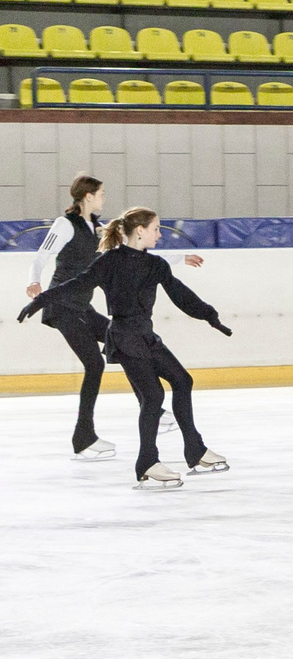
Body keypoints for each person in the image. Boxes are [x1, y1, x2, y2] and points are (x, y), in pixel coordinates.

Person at [17, 207, 232, 489]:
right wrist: (41, 300)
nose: (159, 234)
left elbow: (181, 295)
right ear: (140, 231)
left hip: (146, 336)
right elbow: (77, 283)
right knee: (153, 396)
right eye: (156, 229)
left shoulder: (156, 265)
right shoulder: (109, 262)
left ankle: (195, 451)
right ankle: (147, 464)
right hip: (123, 338)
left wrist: (209, 314)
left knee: (182, 380)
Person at [22, 175, 203, 462]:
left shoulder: (97, 229)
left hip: (82, 308)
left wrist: (181, 257)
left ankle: (151, 407)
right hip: (63, 307)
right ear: (88, 196)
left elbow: (135, 253)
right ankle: (84, 439)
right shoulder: (65, 225)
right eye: (101, 193)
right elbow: (41, 257)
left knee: (122, 338)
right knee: (94, 363)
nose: (104, 198)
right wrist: (34, 283)